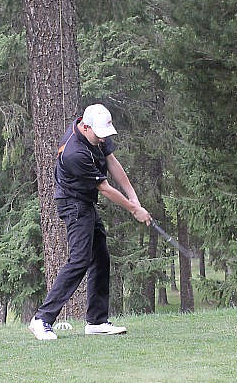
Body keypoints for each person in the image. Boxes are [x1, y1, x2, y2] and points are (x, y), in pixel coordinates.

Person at [28, 104, 151, 340]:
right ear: (85, 127)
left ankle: (96, 321)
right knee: (79, 260)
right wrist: (134, 210)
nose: (102, 140)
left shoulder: (96, 134)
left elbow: (113, 162)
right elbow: (105, 188)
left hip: (85, 203)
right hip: (73, 204)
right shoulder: (74, 153)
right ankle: (42, 319)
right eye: (98, 135)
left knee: (101, 257)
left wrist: (133, 196)